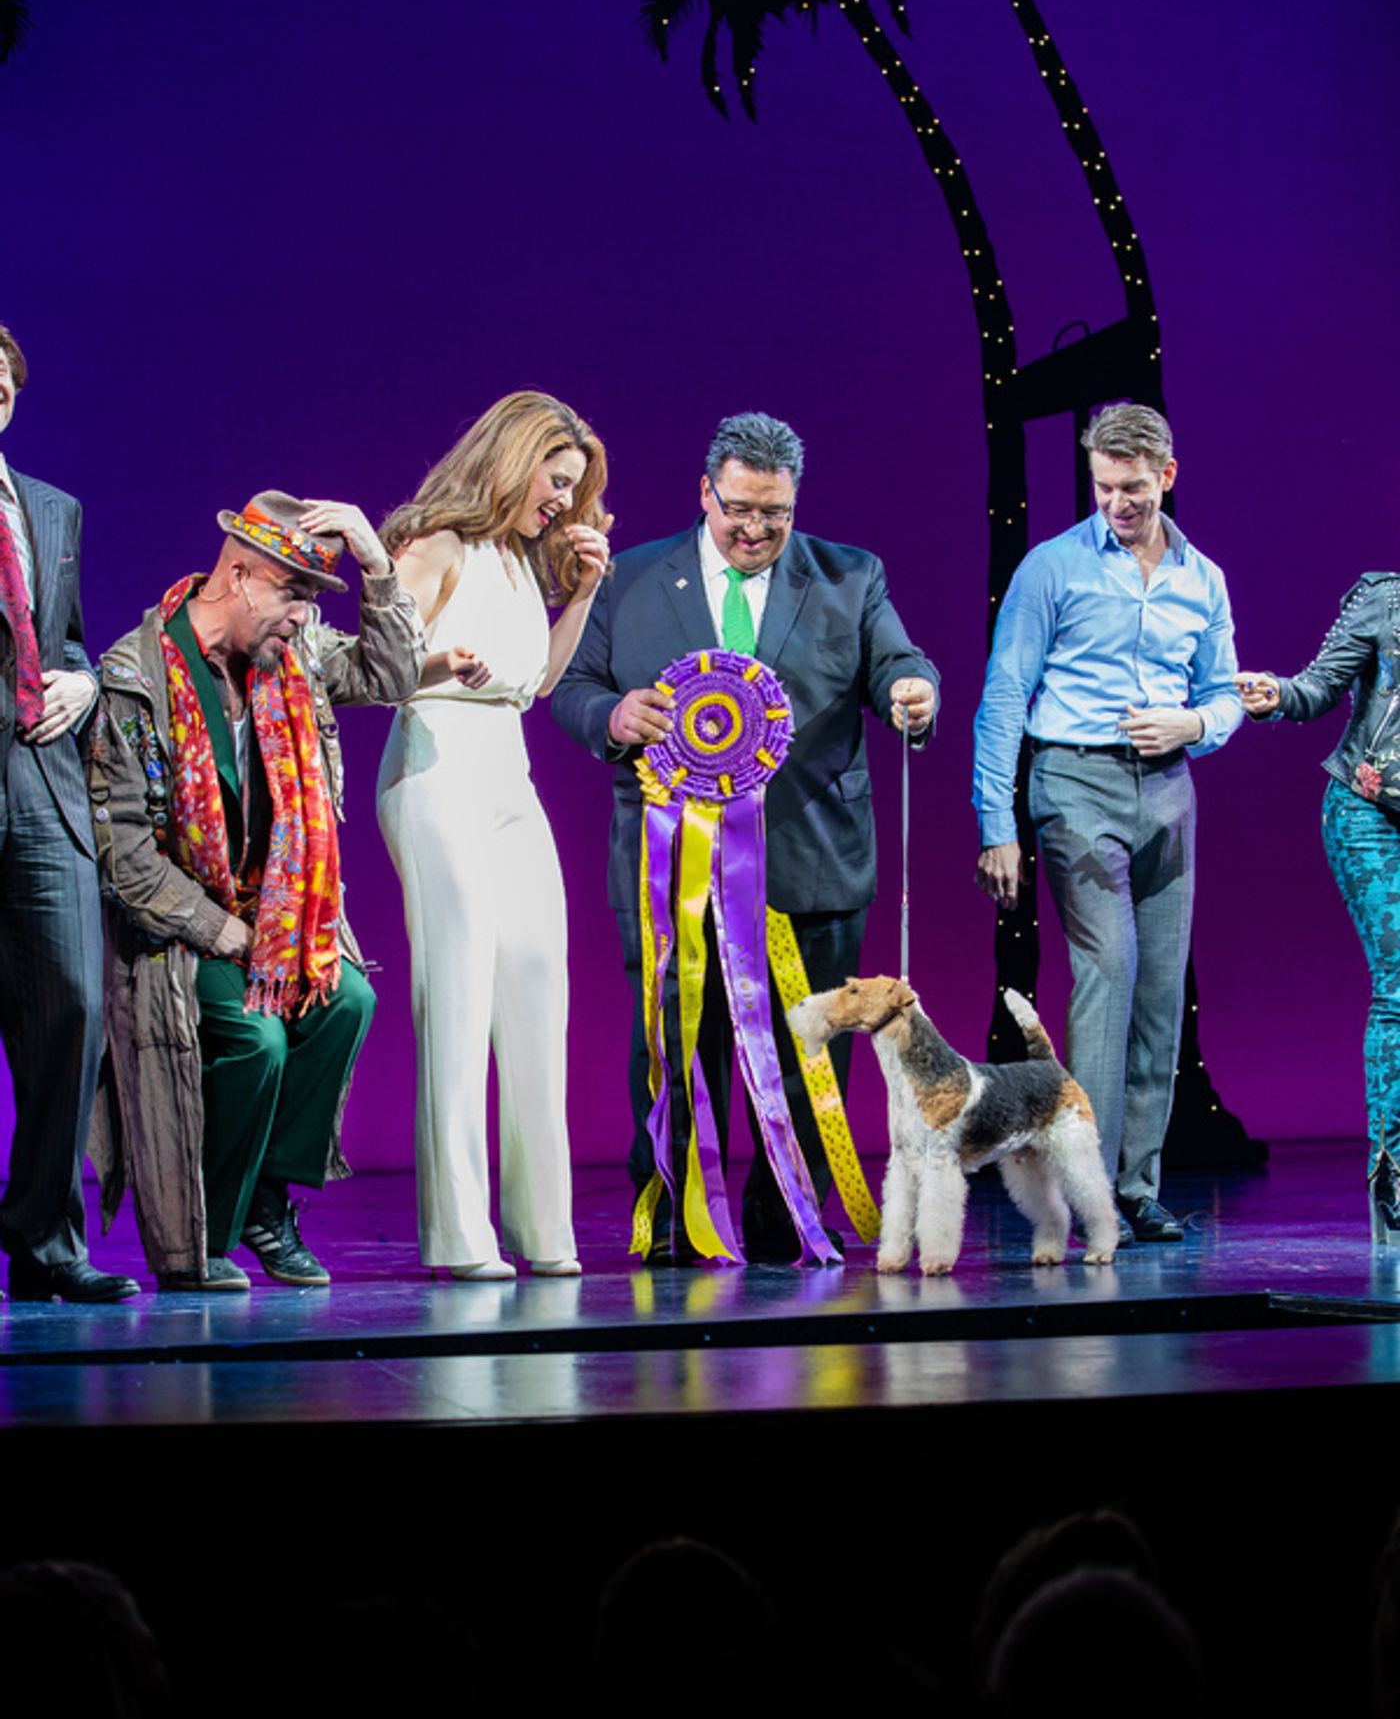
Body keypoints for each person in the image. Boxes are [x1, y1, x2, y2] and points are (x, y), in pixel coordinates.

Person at [552, 410, 938, 1264]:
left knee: (807, 1065)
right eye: (739, 511)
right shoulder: (630, 579)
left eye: (776, 514)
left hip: (812, 862)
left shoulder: (850, 576)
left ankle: (787, 1212)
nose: (756, 530)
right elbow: (570, 687)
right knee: (680, 1045)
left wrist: (915, 689)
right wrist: (612, 715)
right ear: (705, 493)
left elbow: (897, 664)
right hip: (669, 869)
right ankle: (680, 1211)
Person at [87, 492, 423, 1291]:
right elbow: (126, 854)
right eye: (294, 593)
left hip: (271, 920)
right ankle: (207, 1230)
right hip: (173, 928)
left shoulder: (289, 661)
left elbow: (392, 672)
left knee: (347, 1003)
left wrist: (376, 561)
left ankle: (267, 1202)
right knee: (256, 1038)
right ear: (238, 577)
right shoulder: (134, 677)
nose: (305, 617)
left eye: (315, 599)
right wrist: (225, 934)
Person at [973, 402, 1242, 1242]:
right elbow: (1005, 696)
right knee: (1110, 975)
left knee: (1162, 992)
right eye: (1101, 486)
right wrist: (996, 821)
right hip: (1075, 782)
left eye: (1132, 487)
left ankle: (1134, 1187)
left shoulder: (1203, 577)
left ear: (1166, 475)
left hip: (1167, 787)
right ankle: (1086, 1194)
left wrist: (1194, 726)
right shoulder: (1051, 568)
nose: (1116, 503)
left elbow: (1224, 691)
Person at [377, 392, 611, 1281]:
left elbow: (540, 682)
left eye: (573, 489)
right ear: (512, 462)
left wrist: (582, 593)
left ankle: (545, 1228)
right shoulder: (431, 547)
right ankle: (460, 1235)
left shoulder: (519, 563)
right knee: (461, 997)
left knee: (537, 985)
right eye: (554, 483)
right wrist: (433, 662)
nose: (561, 503)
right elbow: (374, 665)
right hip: (437, 763)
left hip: (508, 771)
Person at [0, 324, 137, 1302]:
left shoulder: (50, 508)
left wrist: (84, 686)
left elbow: (71, 643)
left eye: (0, 384)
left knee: (74, 1012)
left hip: (43, 787)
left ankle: (43, 1240)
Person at [1237, 579, 1400, 1239]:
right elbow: (1319, 686)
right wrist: (1278, 694)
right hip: (1369, 815)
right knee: (1399, 986)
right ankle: (1392, 1189)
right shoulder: (1384, 599)